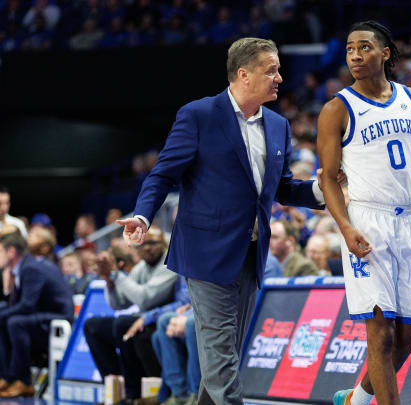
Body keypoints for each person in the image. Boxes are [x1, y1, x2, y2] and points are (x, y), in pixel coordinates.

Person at [116, 37, 326, 404]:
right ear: (243, 74)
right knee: (220, 354)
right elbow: (163, 174)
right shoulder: (198, 115)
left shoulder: (278, 125)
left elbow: (283, 188)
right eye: (271, 70)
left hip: (251, 253)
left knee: (223, 353)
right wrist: (143, 215)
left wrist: (321, 192)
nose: (280, 77)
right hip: (204, 252)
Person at [317, 21, 411, 405]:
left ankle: (356, 400)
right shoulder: (336, 110)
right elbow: (330, 180)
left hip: (409, 222)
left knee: (405, 341)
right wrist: (346, 227)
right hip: (368, 222)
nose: (354, 54)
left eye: (364, 47)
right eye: (350, 48)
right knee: (380, 335)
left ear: (385, 53)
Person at [83, 227, 176, 403]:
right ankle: (118, 386)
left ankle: (133, 394)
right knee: (93, 327)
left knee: (123, 323)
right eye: (143, 244)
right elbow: (119, 302)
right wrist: (109, 281)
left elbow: (145, 298)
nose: (147, 248)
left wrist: (116, 275)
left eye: (153, 243)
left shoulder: (169, 264)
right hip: (141, 320)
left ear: (164, 244)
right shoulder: (142, 267)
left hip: (160, 320)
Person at [0, 232, 74, 398]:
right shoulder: (22, 267)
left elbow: (27, 305)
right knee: (6, 316)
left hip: (57, 318)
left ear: (11, 252)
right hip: (42, 315)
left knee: (14, 322)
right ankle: (7, 376)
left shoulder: (30, 267)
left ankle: (24, 381)